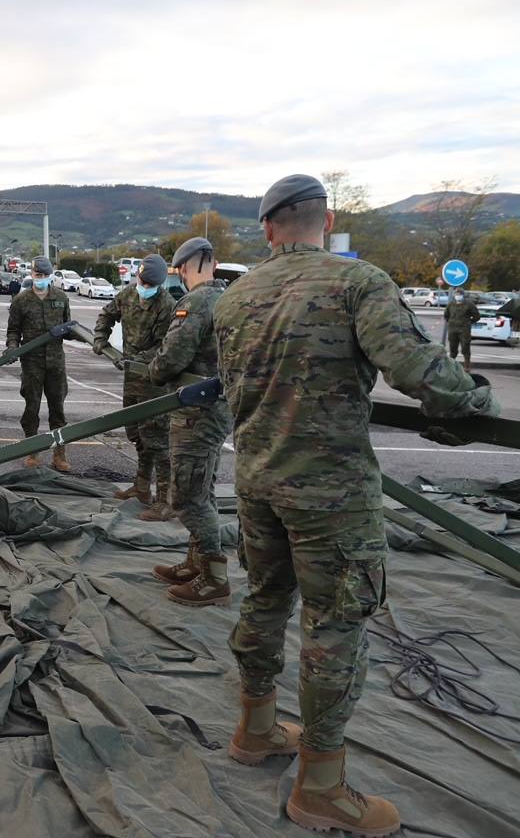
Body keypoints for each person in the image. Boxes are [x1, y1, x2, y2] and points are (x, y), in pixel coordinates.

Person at [215, 174, 498, 836]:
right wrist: (475, 399)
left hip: (255, 480)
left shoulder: (235, 297)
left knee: (262, 600)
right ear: (328, 219)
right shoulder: (355, 282)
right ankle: (320, 788)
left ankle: (255, 730)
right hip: (330, 495)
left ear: (267, 228)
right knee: (336, 629)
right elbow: (418, 370)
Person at [146, 238, 233, 606]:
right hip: (217, 408)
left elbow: (170, 360)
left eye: (179, 269)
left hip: (196, 412)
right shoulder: (228, 298)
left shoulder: (195, 303)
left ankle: (214, 576)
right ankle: (196, 563)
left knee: (185, 497)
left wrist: (152, 369)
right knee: (203, 489)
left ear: (186, 266)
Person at [92, 254, 175, 518]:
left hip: (154, 381)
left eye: (150, 285)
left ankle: (165, 500)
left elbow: (165, 346)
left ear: (158, 284)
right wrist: (100, 337)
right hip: (131, 378)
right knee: (137, 434)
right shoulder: (128, 294)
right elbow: (107, 314)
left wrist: (135, 359)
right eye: (142, 282)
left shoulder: (167, 305)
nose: (144, 288)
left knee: (158, 441)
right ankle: (141, 487)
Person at [5, 256, 71, 471]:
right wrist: (12, 347)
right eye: (37, 275)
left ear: (50, 275)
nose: (41, 279)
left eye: (44, 276)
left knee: (58, 409)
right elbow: (13, 330)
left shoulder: (61, 298)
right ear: (32, 275)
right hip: (31, 363)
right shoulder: (21, 300)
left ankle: (59, 454)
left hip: (55, 362)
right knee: (31, 408)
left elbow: (68, 327)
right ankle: (32, 451)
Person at [443, 287, 480, 371]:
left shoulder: (469, 304)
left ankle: (467, 366)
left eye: (459, 294)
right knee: (453, 348)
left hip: (464, 330)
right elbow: (446, 315)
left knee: (465, 347)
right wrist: (451, 322)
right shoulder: (451, 304)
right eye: (456, 294)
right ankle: (451, 366)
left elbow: (477, 316)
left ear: (463, 295)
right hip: (453, 329)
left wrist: (468, 322)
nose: (458, 296)